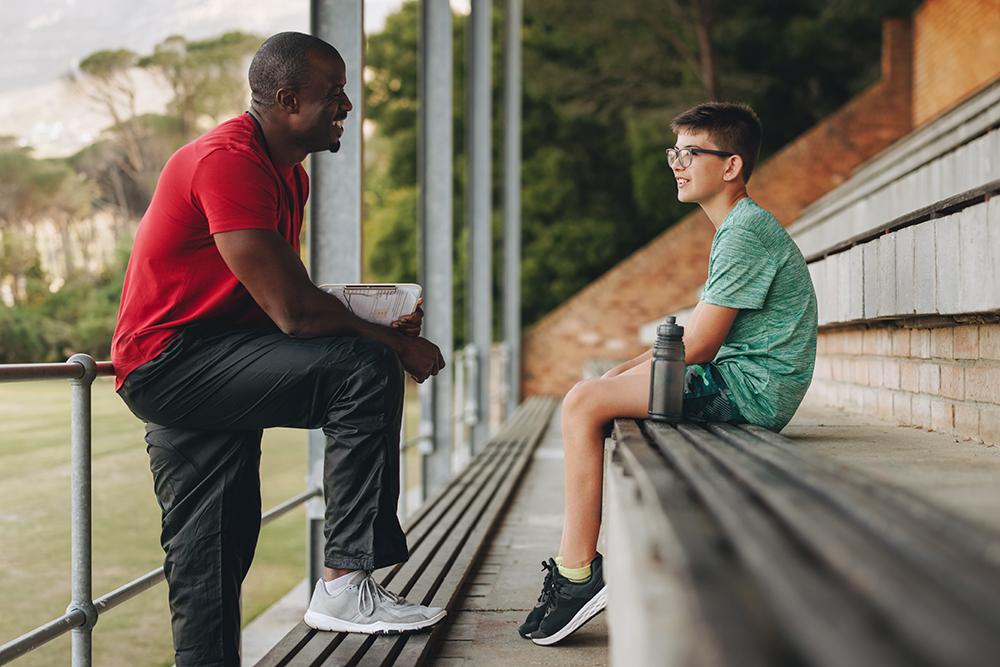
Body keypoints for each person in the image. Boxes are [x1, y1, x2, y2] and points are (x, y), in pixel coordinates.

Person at [111, 32, 448, 666]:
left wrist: (371, 314)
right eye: (335, 94)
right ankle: (347, 582)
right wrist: (393, 345)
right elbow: (292, 313)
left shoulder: (287, 174)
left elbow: (276, 293)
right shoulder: (228, 161)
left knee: (213, 548)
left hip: (216, 353)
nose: (347, 105)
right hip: (173, 362)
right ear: (288, 100)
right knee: (365, 368)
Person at [520, 102, 818, 646]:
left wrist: (612, 382)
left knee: (584, 403)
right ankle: (575, 570)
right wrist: (618, 375)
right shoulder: (736, 228)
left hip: (750, 393)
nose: (676, 163)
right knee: (591, 394)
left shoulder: (746, 231)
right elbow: (697, 338)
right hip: (741, 382)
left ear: (730, 165)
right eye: (673, 152)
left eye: (690, 152)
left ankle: (576, 575)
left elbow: (701, 344)